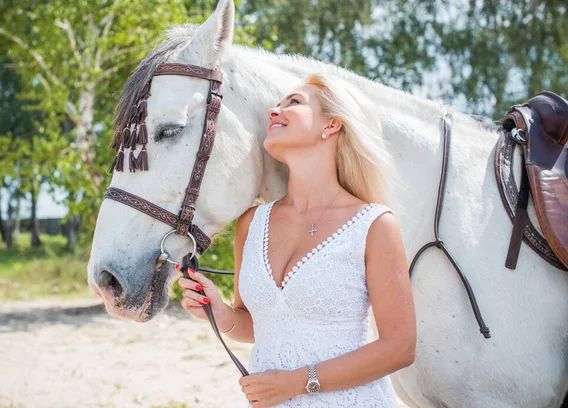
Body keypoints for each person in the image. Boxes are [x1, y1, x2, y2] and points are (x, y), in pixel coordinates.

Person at [176, 74, 416, 407]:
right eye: (277, 105)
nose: (275, 111)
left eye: (293, 102)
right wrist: (221, 314)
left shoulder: (373, 225)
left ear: (331, 125)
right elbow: (256, 325)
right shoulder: (251, 223)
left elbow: (399, 347)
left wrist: (295, 384)